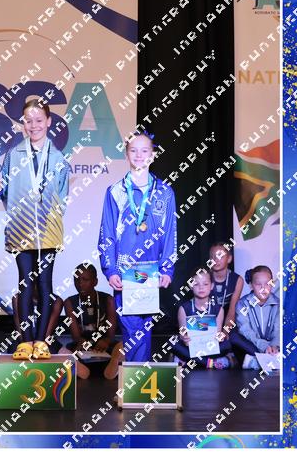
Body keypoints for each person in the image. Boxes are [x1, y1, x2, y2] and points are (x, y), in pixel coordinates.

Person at [0, 99, 69, 361]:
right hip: (21, 227)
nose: (33, 125)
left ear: (48, 122)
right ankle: (25, 341)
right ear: (22, 123)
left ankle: (42, 341)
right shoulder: (13, 155)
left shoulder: (58, 158)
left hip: (48, 230)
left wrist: (49, 219)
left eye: (38, 120)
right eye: (28, 121)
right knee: (24, 283)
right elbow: (3, 189)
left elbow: (63, 196)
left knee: (45, 285)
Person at [98, 130, 177, 363]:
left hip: (152, 270)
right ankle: (138, 374)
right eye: (133, 150)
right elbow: (107, 232)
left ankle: (135, 375)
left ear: (153, 155)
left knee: (144, 326)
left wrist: (167, 268)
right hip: (125, 270)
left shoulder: (164, 192)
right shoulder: (115, 192)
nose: (139, 155)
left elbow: (171, 233)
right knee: (131, 326)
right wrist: (110, 269)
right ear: (126, 154)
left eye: (144, 150)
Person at [61, 263, 122, 380]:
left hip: (105, 345)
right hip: (82, 346)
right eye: (77, 280)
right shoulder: (69, 302)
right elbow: (76, 336)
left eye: (85, 280)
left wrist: (106, 341)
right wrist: (81, 342)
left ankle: (112, 365)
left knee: (122, 346)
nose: (80, 284)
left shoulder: (108, 299)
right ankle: (81, 368)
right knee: (67, 350)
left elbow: (110, 334)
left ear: (95, 282)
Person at [171, 268, 235, 369]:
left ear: (211, 286)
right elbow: (183, 334)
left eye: (205, 284)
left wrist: (219, 337)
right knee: (173, 343)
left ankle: (188, 361)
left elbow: (217, 334)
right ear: (191, 286)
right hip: (192, 347)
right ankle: (211, 363)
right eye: (196, 284)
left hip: (210, 347)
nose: (201, 288)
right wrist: (184, 338)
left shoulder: (218, 309)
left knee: (228, 344)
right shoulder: (184, 308)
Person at [231, 266, 280, 370]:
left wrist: (274, 346)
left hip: (273, 346)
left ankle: (256, 362)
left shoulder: (278, 304)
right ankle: (270, 360)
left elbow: (278, 330)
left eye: (267, 284)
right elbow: (246, 330)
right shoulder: (242, 304)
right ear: (251, 286)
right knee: (234, 337)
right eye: (258, 284)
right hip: (253, 344)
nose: (263, 288)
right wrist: (264, 346)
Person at [208, 242, 244, 335]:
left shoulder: (238, 280)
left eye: (220, 256)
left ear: (229, 259)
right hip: (206, 322)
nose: (215, 259)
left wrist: (225, 332)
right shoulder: (204, 277)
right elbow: (198, 309)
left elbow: (232, 311)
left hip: (227, 322)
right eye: (212, 256)